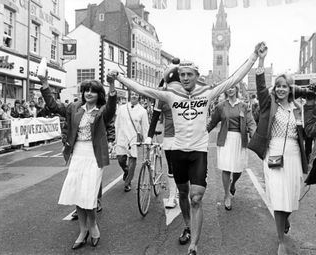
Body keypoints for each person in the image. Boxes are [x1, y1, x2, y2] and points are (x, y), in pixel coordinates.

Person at [108, 42, 264, 255]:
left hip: (198, 152)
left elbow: (234, 78)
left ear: (197, 75)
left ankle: (194, 246)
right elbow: (142, 89)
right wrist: (118, 78)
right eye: (182, 75)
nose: (185, 78)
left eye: (189, 74)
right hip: (179, 152)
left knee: (196, 197)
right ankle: (188, 225)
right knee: (183, 193)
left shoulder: (207, 93)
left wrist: (254, 55)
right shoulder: (171, 94)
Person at [37, 73, 117, 250]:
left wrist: (112, 86)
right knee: (77, 194)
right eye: (86, 90)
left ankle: (93, 226)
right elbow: (53, 105)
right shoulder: (74, 107)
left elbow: (111, 107)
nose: (88, 93)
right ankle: (82, 231)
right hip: (78, 154)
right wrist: (44, 83)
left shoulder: (103, 110)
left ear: (99, 94)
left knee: (89, 194)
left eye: (93, 91)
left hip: (94, 156)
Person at [248, 46, 309, 255]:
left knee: (290, 199)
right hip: (274, 154)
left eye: (285, 86)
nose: (281, 89)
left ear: (289, 89)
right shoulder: (269, 104)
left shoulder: (297, 109)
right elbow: (260, 86)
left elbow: (306, 134)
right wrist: (262, 61)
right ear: (275, 89)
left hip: (294, 157)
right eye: (278, 86)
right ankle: (281, 240)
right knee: (279, 197)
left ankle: (286, 219)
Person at [207, 84, 256, 210]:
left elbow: (250, 122)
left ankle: (233, 183)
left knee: (238, 169)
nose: (230, 89)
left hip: (240, 139)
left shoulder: (244, 106)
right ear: (225, 90)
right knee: (226, 168)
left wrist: (255, 136)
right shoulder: (221, 106)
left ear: (237, 89)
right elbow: (213, 122)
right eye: (228, 87)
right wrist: (202, 133)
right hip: (225, 139)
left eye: (233, 87)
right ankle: (227, 195)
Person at [145, 82, 179, 209]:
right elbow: (154, 118)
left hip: (184, 136)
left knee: (182, 167)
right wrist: (149, 136)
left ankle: (181, 190)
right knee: (171, 167)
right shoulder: (161, 97)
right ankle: (172, 195)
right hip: (169, 136)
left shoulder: (184, 94)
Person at [114, 91, 149, 192]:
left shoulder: (143, 111)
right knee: (120, 159)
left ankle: (127, 183)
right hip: (121, 137)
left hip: (133, 138)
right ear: (130, 96)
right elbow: (117, 123)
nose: (134, 96)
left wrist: (146, 141)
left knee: (132, 161)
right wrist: (115, 138)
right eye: (133, 94)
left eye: (136, 95)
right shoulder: (122, 108)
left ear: (139, 97)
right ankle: (126, 170)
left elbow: (145, 127)